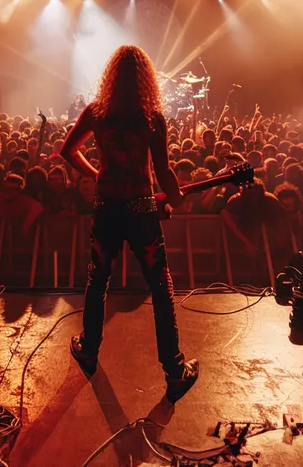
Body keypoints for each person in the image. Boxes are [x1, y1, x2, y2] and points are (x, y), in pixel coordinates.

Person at [59, 44, 198, 403]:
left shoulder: (96, 113)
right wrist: (177, 197)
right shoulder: (152, 117)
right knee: (161, 288)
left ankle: (89, 350)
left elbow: (67, 150)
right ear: (145, 80)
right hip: (141, 209)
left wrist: (97, 172)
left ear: (110, 78)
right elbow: (164, 169)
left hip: (107, 207)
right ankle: (174, 369)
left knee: (97, 279)